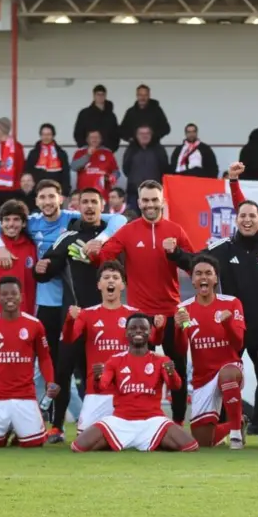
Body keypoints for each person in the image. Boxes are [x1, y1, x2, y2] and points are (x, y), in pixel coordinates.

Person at [0, 178, 127, 440]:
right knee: (64, 367)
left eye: (93, 202)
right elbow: (48, 265)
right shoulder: (68, 235)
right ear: (78, 205)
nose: (88, 206)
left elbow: (122, 223)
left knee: (107, 369)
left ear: (101, 206)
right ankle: (58, 425)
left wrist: (102, 241)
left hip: (109, 317)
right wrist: (42, 268)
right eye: (84, 202)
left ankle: (118, 420)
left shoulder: (115, 236)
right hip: (73, 314)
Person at [164, 199, 258, 444]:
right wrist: (175, 254)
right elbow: (196, 263)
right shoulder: (223, 248)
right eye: (243, 216)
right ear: (235, 221)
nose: (247, 220)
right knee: (225, 374)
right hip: (229, 326)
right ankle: (227, 425)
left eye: (252, 216)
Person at [90, 180, 194, 427]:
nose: (150, 204)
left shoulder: (176, 230)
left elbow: (194, 264)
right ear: (139, 202)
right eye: (145, 200)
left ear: (162, 202)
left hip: (171, 312)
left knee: (175, 368)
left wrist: (176, 253)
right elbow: (105, 257)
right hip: (139, 317)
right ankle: (132, 419)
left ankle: (177, 422)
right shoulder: (128, 231)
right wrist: (94, 251)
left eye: (154, 200)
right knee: (135, 369)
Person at [70, 314, 198, 453]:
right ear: (126, 332)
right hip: (121, 420)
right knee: (78, 447)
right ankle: (141, 442)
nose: (138, 331)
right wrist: (97, 377)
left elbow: (175, 386)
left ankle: (140, 441)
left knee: (190, 446)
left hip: (153, 419)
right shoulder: (115, 360)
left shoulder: (161, 360)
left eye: (143, 328)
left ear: (150, 332)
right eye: (133, 328)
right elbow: (101, 387)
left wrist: (172, 373)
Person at [0, 277, 57, 448]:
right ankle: (7, 431)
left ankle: (19, 431)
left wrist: (50, 382)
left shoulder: (35, 325)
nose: (9, 297)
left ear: (22, 297)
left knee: (34, 444)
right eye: (4, 294)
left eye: (13, 293)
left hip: (25, 396)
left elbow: (44, 357)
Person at [175, 256, 247, 449]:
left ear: (216, 279)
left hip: (229, 368)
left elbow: (238, 343)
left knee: (228, 374)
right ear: (192, 280)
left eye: (208, 273)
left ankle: (235, 435)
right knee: (203, 442)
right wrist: (179, 328)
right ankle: (238, 422)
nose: (203, 277)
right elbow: (182, 349)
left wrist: (227, 323)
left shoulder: (231, 303)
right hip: (202, 377)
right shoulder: (185, 309)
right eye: (198, 274)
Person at [61, 261, 137, 434]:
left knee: (130, 438)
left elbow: (154, 340)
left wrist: (161, 327)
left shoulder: (134, 315)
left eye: (116, 278)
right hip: (96, 392)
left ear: (123, 285)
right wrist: (69, 320)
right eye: (106, 277)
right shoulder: (87, 314)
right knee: (84, 440)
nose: (111, 281)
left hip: (126, 392)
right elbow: (69, 338)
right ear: (99, 285)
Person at [122, 125, 169, 197]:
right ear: (137, 136)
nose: (144, 136)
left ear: (151, 135)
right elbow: (126, 168)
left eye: (147, 133)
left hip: (154, 191)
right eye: (141, 134)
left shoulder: (159, 149)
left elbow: (165, 168)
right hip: (134, 192)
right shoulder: (131, 149)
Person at [25, 123, 71, 196]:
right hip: (36, 191)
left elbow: (66, 174)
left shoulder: (61, 153)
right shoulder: (33, 153)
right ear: (40, 135)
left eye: (48, 134)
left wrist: (65, 192)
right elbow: (27, 171)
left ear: (53, 135)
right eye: (43, 134)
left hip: (56, 191)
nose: (46, 137)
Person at [71, 129, 119, 198]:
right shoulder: (80, 152)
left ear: (101, 139)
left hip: (103, 194)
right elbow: (74, 167)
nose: (95, 139)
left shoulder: (107, 153)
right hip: (84, 193)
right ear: (87, 139)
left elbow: (116, 171)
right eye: (92, 137)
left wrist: (112, 177)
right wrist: (87, 155)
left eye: (97, 137)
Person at [72, 84, 120, 151]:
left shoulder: (111, 116)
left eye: (102, 94)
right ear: (94, 96)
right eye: (98, 94)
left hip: (106, 152)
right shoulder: (84, 114)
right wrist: (85, 148)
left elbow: (116, 135)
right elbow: (78, 133)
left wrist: (111, 149)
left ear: (105, 95)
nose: (100, 97)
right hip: (88, 152)